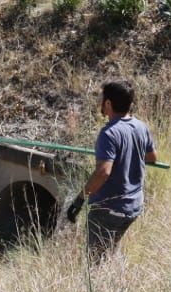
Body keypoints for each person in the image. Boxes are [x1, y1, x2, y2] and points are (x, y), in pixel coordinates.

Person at [66, 80, 158, 260]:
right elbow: (152, 157)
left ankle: (102, 286)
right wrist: (130, 152)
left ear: (108, 103)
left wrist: (80, 199)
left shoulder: (108, 134)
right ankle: (118, 284)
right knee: (111, 251)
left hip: (109, 208)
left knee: (96, 261)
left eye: (102, 98)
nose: (100, 102)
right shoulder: (141, 127)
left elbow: (103, 172)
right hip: (133, 206)